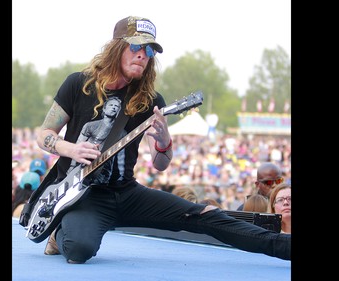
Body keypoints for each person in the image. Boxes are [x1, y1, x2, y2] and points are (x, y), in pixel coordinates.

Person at [33, 16, 290, 264]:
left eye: (149, 50)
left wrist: (164, 142)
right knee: (79, 250)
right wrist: (71, 149)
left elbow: (160, 164)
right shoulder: (79, 84)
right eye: (136, 46)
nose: (143, 55)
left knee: (205, 214)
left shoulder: (150, 100)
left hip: (126, 192)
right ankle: (60, 231)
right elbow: (44, 134)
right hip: (83, 195)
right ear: (116, 48)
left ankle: (283, 247)